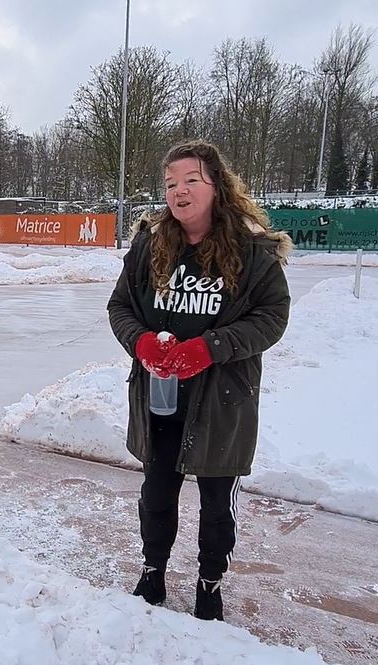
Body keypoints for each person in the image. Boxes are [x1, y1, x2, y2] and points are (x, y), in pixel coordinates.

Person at [106, 139, 292, 620]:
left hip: (222, 402)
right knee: (156, 494)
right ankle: (152, 573)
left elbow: (271, 317)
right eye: (170, 183)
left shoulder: (252, 252)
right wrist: (142, 343)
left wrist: (208, 348)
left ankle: (210, 583)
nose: (179, 191)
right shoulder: (151, 244)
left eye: (191, 180)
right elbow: (121, 307)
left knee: (215, 505)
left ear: (217, 186)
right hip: (161, 397)